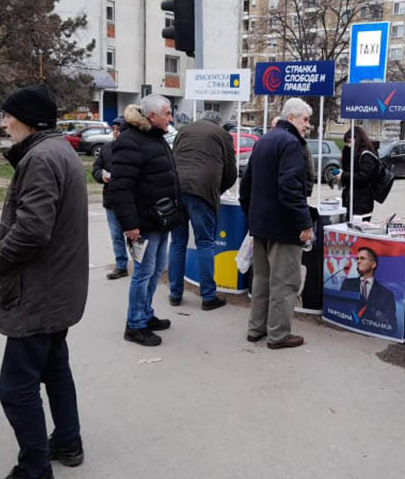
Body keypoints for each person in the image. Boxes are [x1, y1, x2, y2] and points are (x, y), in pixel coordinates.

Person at [0, 85, 89, 479]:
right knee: (55, 368)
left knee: (15, 386)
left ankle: (34, 472)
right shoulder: (57, 151)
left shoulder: (42, 157)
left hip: (39, 290)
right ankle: (67, 442)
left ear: (26, 118)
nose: (4, 122)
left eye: (9, 116)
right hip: (57, 287)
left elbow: (31, 230)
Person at [106, 95, 181, 347]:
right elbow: (121, 187)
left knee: (156, 270)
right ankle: (135, 324)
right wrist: (129, 225)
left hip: (160, 220)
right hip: (143, 223)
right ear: (152, 117)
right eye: (167, 113)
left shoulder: (154, 137)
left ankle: (146, 315)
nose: (171, 118)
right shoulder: (131, 141)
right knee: (142, 273)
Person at [240, 98, 313, 349]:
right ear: (291, 117)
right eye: (305, 119)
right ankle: (278, 334)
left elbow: (246, 185)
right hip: (283, 227)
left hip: (260, 225)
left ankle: (256, 329)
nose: (308, 125)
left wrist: (251, 216)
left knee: (261, 279)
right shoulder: (291, 143)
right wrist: (305, 224)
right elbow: (291, 189)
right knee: (284, 283)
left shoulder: (264, 140)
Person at [168, 110, 237, 310]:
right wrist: (216, 190)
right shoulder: (222, 134)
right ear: (218, 122)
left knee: (177, 243)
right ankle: (208, 297)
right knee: (205, 243)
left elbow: (173, 158)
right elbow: (231, 173)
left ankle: (175, 294)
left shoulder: (183, 130)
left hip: (176, 188)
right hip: (202, 191)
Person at [92, 117, 128, 280]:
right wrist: (101, 176)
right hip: (111, 198)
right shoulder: (106, 148)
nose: (115, 132)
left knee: (134, 234)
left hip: (129, 200)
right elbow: (96, 168)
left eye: (118, 129)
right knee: (116, 235)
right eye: (113, 129)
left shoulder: (132, 149)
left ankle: (141, 262)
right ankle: (121, 265)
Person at [340, 247, 396, 328]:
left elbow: (393, 327)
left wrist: (382, 321)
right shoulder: (347, 284)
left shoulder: (387, 294)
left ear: (373, 265)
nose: (358, 261)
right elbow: (341, 310)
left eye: (362, 258)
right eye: (357, 259)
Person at [337, 125, 380, 219]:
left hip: (361, 202)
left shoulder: (367, 155)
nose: (348, 145)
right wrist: (346, 152)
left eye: (349, 142)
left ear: (357, 139)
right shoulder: (353, 153)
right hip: (351, 199)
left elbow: (363, 177)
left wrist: (344, 176)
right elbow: (348, 169)